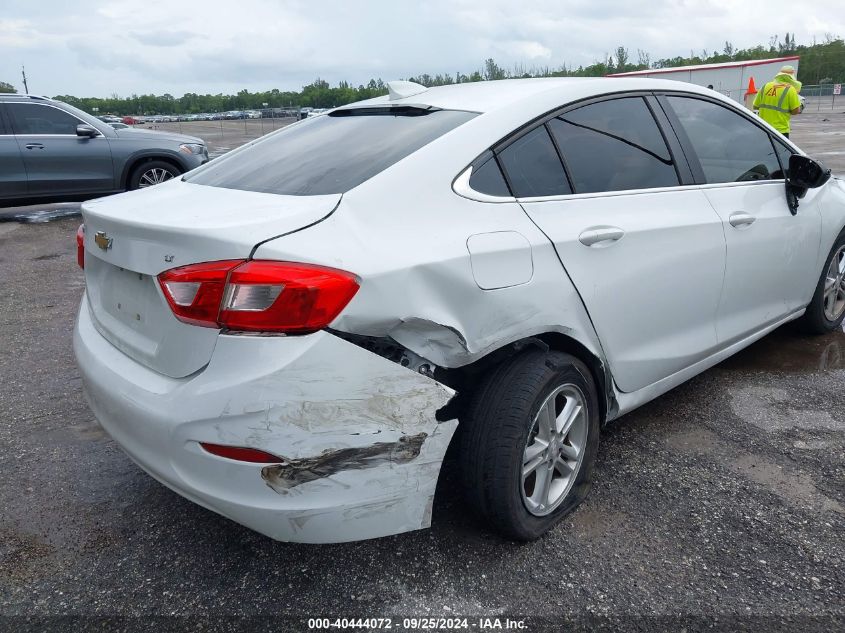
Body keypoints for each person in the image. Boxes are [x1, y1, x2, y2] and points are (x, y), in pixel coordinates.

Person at [752, 65, 802, 138]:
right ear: (791, 77)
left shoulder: (765, 86)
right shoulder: (790, 89)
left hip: (763, 127)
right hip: (780, 131)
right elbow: (795, 111)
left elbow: (755, 106)